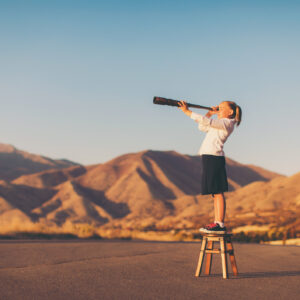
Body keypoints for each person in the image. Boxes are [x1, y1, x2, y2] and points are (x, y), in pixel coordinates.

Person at [178, 100, 242, 234]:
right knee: (215, 192)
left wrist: (187, 112)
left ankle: (219, 223)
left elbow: (206, 122)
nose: (218, 109)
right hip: (210, 157)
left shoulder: (227, 123)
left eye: (221, 108)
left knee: (218, 191)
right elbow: (202, 126)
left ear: (230, 112)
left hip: (214, 158)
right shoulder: (219, 124)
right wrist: (210, 113)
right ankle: (217, 222)